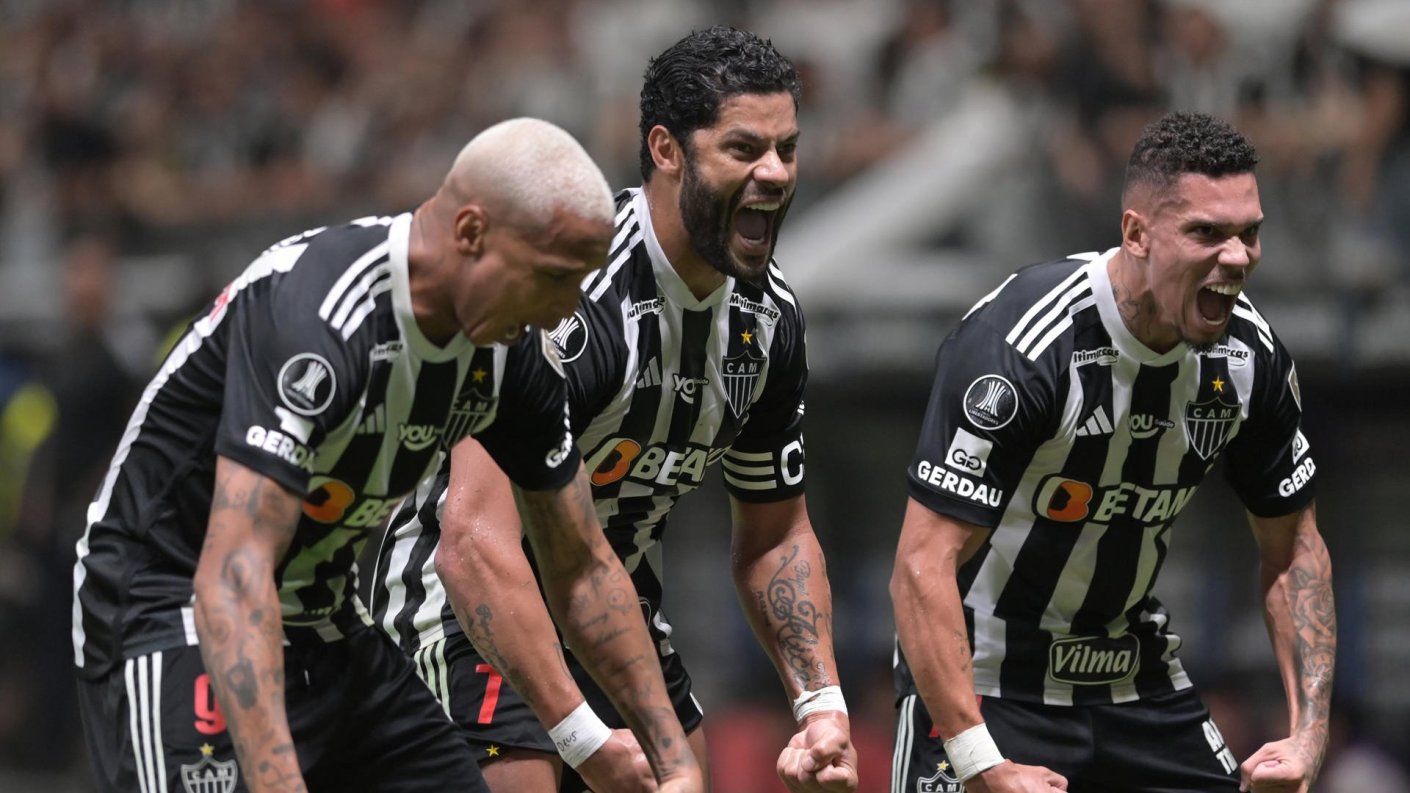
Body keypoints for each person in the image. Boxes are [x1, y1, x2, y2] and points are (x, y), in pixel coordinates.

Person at [71, 118, 701, 793]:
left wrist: (670, 762)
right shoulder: (318, 315)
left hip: (323, 614)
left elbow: (582, 562)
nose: (560, 311)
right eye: (553, 277)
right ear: (471, 232)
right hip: (175, 602)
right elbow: (233, 573)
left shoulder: (513, 356)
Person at [372, 26, 858, 793]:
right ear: (667, 150)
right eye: (743, 148)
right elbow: (473, 539)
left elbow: (775, 536)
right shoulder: (568, 297)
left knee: (685, 774)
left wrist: (820, 703)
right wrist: (582, 737)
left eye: (786, 149)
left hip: (608, 611)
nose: (774, 172)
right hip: (469, 605)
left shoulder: (768, 323)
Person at [889, 111, 1335, 793]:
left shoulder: (1251, 357)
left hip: (1134, 677)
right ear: (1136, 233)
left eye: (1249, 233)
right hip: (984, 683)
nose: (1238, 257)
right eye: (1206, 233)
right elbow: (922, 565)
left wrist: (1309, 734)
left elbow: (1295, 548)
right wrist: (980, 761)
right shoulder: (1023, 343)